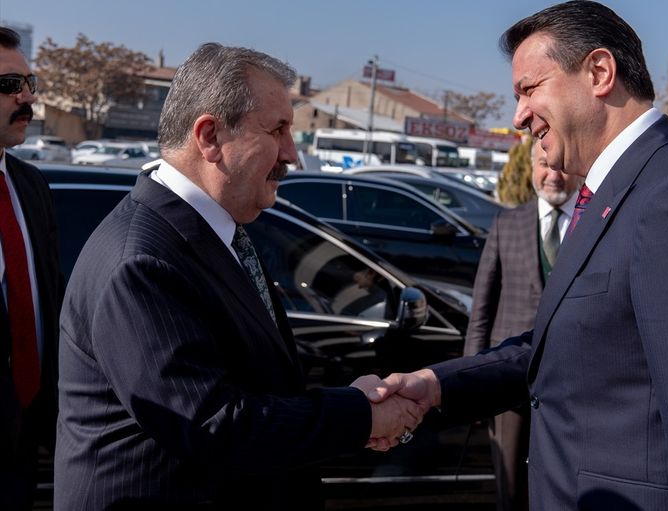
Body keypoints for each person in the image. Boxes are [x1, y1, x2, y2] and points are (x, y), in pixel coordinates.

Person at [369, 2, 668, 509]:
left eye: (529, 89)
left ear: (600, 72)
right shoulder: (620, 190)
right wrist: (438, 385)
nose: (519, 116)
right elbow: (569, 346)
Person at [54, 42, 421, 511]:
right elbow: (215, 423)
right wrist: (358, 415)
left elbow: (256, 389)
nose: (292, 153)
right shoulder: (143, 261)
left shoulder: (217, 232)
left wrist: (351, 403)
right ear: (209, 136)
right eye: (278, 130)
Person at [464, 138, 581, 511]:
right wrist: (471, 384)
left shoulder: (594, 225)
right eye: (545, 165)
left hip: (571, 392)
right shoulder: (506, 224)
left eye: (560, 166)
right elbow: (481, 312)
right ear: (532, 167)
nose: (553, 175)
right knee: (511, 492)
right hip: (508, 387)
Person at [0, 27, 63, 511]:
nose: (28, 98)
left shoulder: (31, 185)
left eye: (30, 83)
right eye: (9, 86)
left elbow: (50, 299)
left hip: (27, 440)